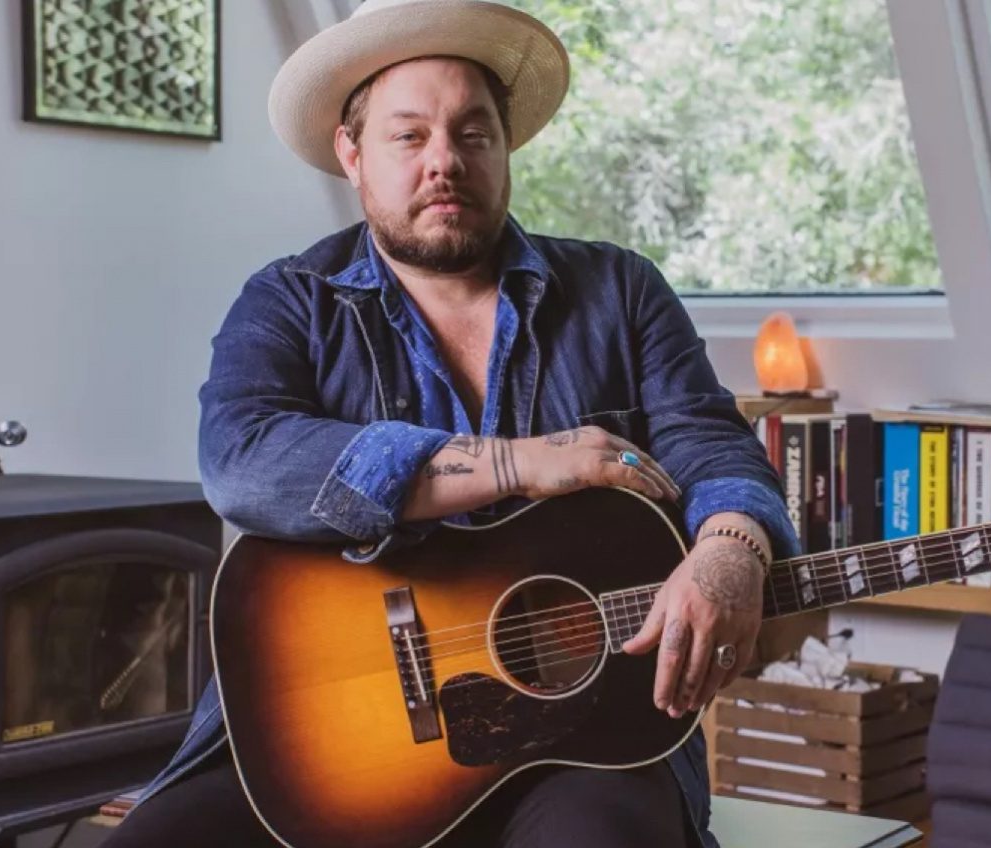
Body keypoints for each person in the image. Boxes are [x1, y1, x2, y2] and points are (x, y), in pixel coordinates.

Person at [99, 1, 798, 846]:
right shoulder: (288, 301)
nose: (446, 162)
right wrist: (520, 463)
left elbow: (711, 444)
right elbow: (241, 461)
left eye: (474, 134)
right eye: (409, 136)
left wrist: (730, 549)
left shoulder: (620, 292)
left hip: (583, 738)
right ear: (351, 153)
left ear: (506, 148)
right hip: (321, 741)